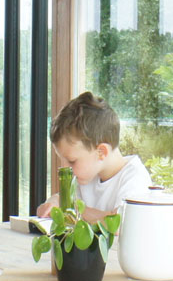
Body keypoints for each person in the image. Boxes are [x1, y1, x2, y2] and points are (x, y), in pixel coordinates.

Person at [39, 92, 152, 221]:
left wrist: (72, 208)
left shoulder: (134, 179)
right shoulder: (89, 176)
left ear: (101, 152)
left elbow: (120, 224)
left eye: (72, 161)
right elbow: (63, 201)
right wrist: (53, 202)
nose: (65, 167)